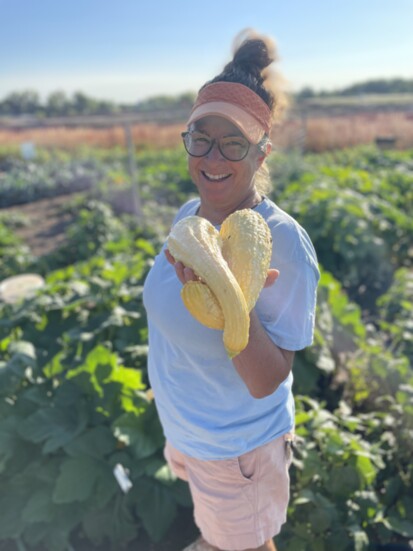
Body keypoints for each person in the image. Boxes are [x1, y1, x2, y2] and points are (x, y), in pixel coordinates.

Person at [143, 29, 320, 551]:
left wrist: (232, 302)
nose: (212, 156)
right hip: (189, 430)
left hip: (236, 448)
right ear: (188, 141)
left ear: (261, 153)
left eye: (234, 142)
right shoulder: (187, 216)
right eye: (201, 137)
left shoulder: (282, 243)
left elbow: (268, 379)